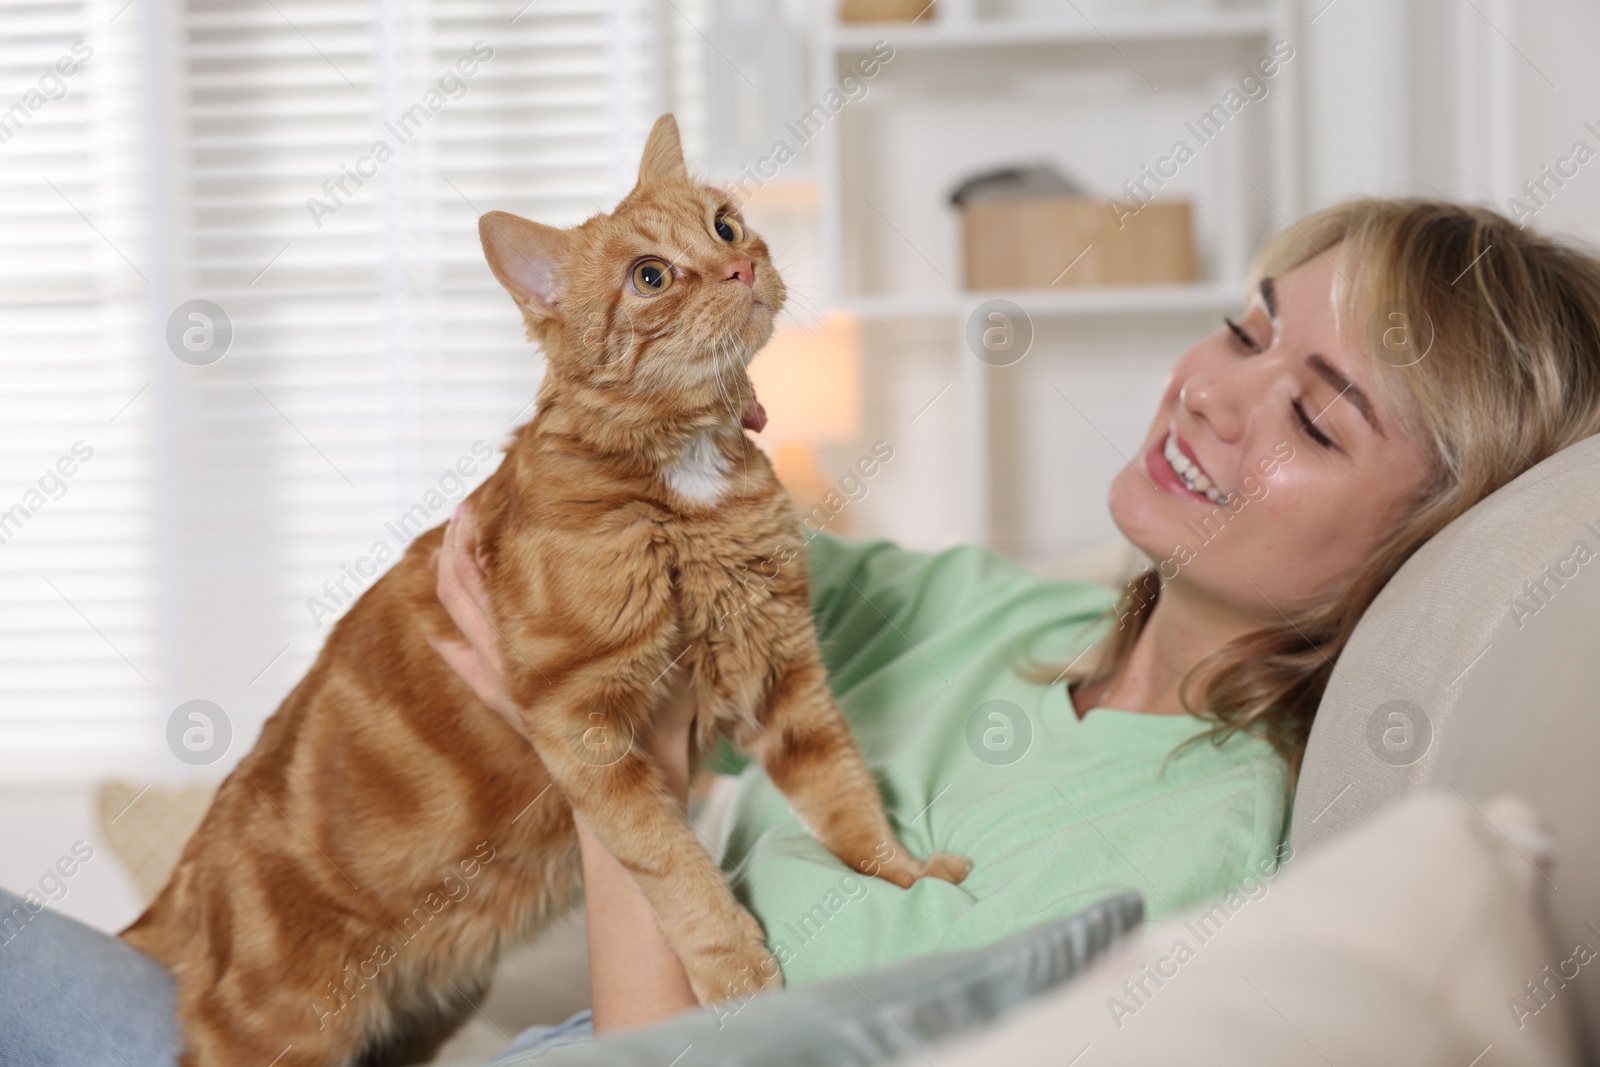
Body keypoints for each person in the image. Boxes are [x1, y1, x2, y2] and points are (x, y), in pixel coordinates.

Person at [4, 198, 1598, 1067]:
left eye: (1312, 421)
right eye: (1247, 328)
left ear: (1424, 546)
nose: (1214, 394)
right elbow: (609, 551)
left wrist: (610, 763)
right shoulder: (1021, 617)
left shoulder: (1195, 845)